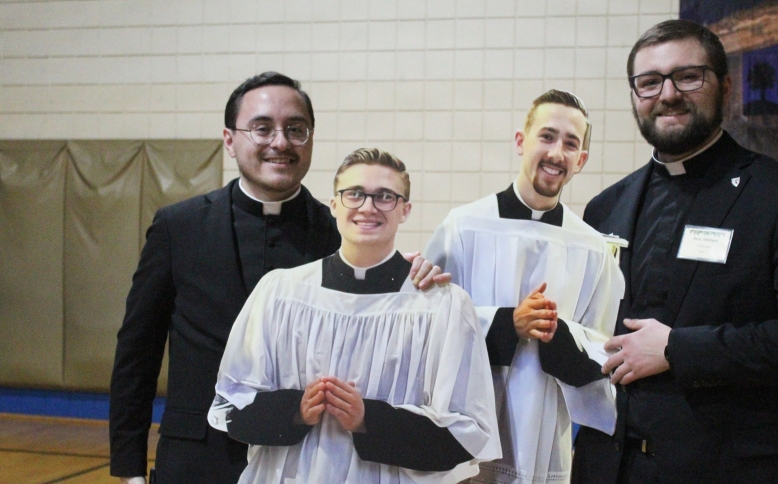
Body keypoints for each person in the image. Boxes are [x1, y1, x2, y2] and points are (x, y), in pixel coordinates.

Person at [109, 73, 446, 484]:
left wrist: (412, 272)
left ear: (310, 139)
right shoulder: (178, 227)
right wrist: (128, 471)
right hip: (197, 458)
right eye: (262, 128)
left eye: (296, 129)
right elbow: (136, 353)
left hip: (304, 461)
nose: (280, 142)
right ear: (230, 140)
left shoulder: (337, 232)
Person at [572, 19, 778, 484]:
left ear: (725, 88)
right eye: (649, 82)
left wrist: (678, 349)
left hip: (736, 469)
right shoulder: (606, 208)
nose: (667, 94)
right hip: (612, 468)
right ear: (634, 96)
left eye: (688, 76)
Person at [208, 148, 501, 483]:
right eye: (355, 194)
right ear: (334, 205)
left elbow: (468, 432)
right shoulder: (280, 292)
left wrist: (368, 419)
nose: (368, 206)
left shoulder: (441, 306)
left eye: (385, 196)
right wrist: (296, 410)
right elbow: (231, 406)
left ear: (404, 210)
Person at [425, 90, 625, 483]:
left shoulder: (592, 248)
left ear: (580, 161)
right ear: (521, 142)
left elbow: (603, 347)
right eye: (547, 137)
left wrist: (561, 334)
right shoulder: (463, 227)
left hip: (548, 428)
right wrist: (507, 323)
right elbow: (431, 326)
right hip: (469, 424)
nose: (556, 153)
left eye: (571, 144)